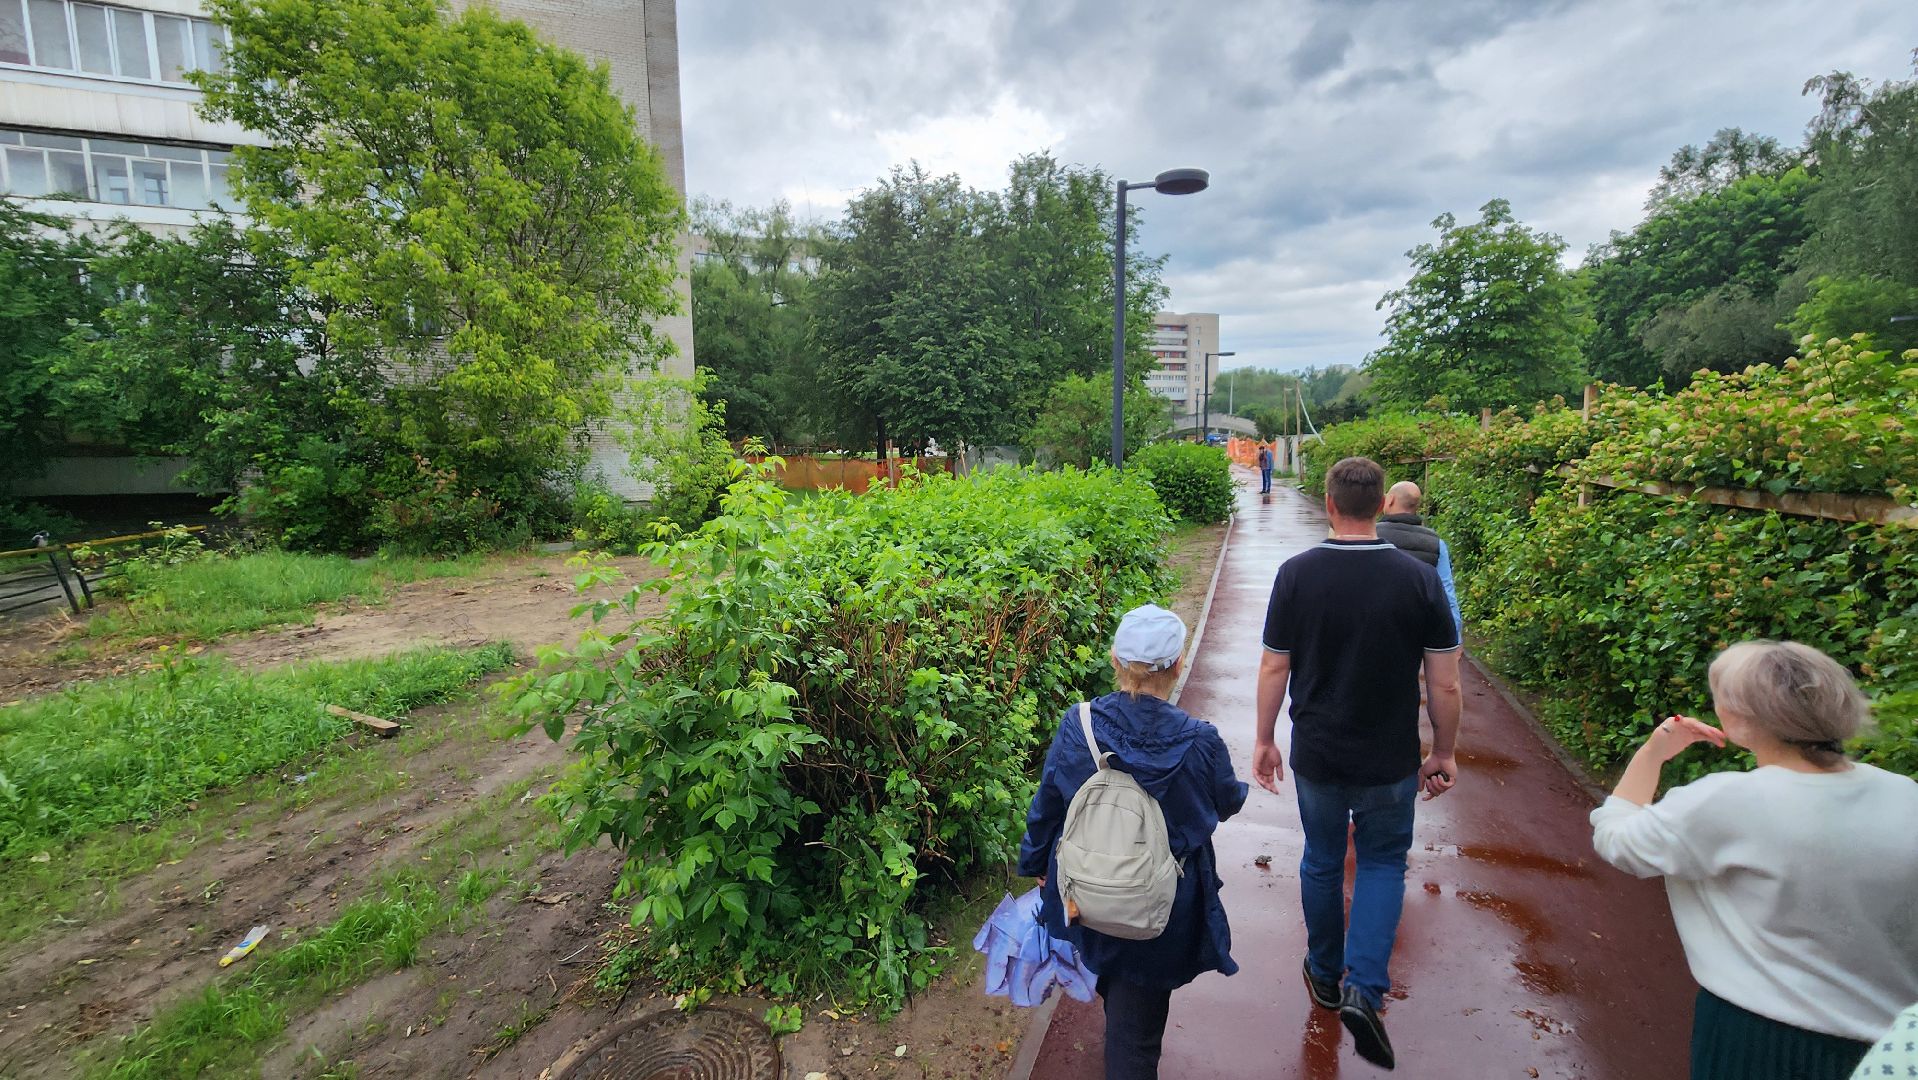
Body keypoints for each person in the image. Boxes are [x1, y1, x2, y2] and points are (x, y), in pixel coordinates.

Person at [1590, 640, 1918, 1080]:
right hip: (1890, 1048)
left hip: (1756, 1039)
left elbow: (1618, 841)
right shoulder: (1904, 795)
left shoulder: (1729, 801)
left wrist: (1654, 753)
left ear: (1740, 721)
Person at [1253, 456, 1462, 1070]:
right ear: (1379, 505)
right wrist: (1443, 750)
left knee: (1321, 860)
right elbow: (1444, 683)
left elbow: (1273, 665)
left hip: (1317, 751)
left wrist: (1264, 737)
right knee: (1379, 864)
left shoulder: (1296, 574)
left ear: (1329, 500)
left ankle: (1322, 975)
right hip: (1389, 756)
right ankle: (1363, 989)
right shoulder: (1417, 579)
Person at [1018, 604, 1249, 1080]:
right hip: (1160, 906)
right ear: (1179, 665)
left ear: (1114, 660)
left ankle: (1118, 1012)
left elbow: (1048, 804)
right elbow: (1223, 803)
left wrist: (1037, 863)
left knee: (1108, 967)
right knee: (1137, 1035)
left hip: (1085, 887)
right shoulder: (1200, 741)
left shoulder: (1077, 725)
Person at [1375, 480, 1462, 637]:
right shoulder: (1436, 543)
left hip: (1377, 629)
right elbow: (1447, 594)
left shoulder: (1372, 535)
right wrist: (1455, 638)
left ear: (1390, 500)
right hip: (1417, 633)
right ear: (1416, 506)